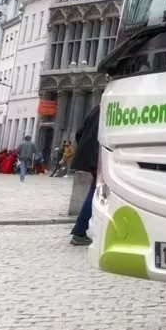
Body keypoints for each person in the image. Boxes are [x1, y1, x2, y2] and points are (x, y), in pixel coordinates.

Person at [69, 104, 101, 247]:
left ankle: (81, 231)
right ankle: (80, 232)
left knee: (96, 191)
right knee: (95, 192)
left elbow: (79, 133)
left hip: (89, 154)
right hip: (99, 156)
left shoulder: (97, 108)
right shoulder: (117, 106)